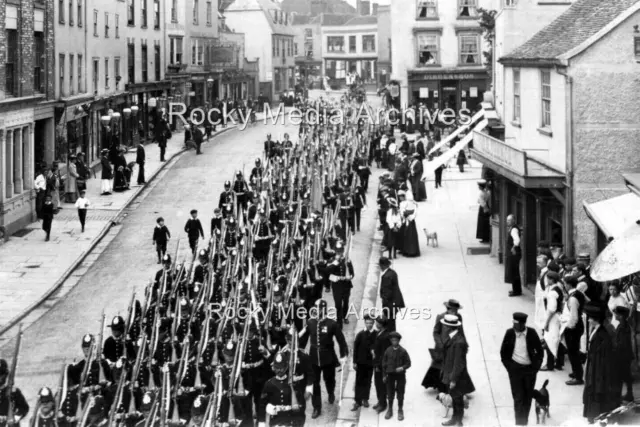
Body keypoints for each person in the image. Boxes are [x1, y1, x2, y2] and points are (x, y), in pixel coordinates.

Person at [299, 299, 348, 419]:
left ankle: (331, 392)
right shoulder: (310, 322)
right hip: (314, 358)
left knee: (329, 380)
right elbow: (303, 339)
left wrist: (343, 355)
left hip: (328, 358)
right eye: (316, 308)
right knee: (315, 383)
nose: (317, 310)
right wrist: (299, 349)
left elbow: (341, 341)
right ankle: (317, 407)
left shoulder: (332, 324)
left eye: (320, 308)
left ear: (324, 309)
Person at [500, 312, 544, 426]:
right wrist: (510, 368)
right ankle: (520, 424)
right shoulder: (509, 333)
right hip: (515, 371)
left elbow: (540, 352)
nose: (514, 326)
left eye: (517, 324)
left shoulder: (532, 333)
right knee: (518, 398)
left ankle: (524, 422)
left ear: (523, 324)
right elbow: (503, 353)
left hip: (529, 370)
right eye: (513, 323)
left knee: (527, 398)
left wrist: (535, 368)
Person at [582, 303, 616, 423]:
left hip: (597, 370)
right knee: (591, 391)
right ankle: (592, 416)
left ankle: (594, 416)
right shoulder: (596, 330)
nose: (588, 320)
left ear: (595, 319)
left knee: (595, 391)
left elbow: (602, 357)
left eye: (590, 318)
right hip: (593, 367)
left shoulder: (602, 335)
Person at [440, 314, 474, 426]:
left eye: (445, 326)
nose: (443, 327)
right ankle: (455, 418)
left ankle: (459, 421)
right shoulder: (452, 337)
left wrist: (453, 380)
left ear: (449, 327)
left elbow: (459, 363)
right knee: (455, 399)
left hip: (456, 376)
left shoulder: (459, 342)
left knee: (458, 399)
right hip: (450, 373)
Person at [422, 300, 464, 392]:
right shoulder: (441, 317)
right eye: (453, 310)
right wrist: (440, 344)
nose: (455, 312)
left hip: (454, 345)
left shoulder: (459, 317)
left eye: (456, 310)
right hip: (442, 346)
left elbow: (461, 330)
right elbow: (435, 332)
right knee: (440, 366)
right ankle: (441, 386)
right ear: (448, 309)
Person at [259, 352, 305, 427]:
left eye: (282, 367)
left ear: (286, 366)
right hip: (275, 421)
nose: (279, 370)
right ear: (273, 367)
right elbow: (262, 405)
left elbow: (301, 403)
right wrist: (261, 422)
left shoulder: (293, 383)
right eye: (277, 367)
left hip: (291, 420)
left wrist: (299, 422)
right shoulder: (269, 384)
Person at [561, 275, 586, 385]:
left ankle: (578, 377)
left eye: (564, 283)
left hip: (573, 327)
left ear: (568, 284)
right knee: (573, 351)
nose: (564, 285)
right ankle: (577, 372)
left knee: (573, 352)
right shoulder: (578, 293)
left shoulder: (572, 298)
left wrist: (568, 328)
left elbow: (574, 317)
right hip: (578, 325)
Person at [381, 331, 411, 421]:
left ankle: (400, 410)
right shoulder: (388, 350)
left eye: (396, 340)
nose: (394, 342)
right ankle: (390, 409)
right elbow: (384, 364)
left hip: (400, 376)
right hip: (390, 375)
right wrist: (384, 375)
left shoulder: (403, 351)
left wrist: (402, 368)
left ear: (399, 341)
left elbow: (408, 363)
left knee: (400, 393)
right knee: (390, 393)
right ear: (391, 341)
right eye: (393, 340)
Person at [352, 315, 376, 411]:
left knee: (368, 381)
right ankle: (357, 401)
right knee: (359, 381)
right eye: (367, 323)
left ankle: (365, 398)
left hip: (370, 364)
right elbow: (355, 349)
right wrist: (354, 362)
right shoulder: (360, 334)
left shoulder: (375, 334)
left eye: (371, 323)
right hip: (360, 363)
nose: (369, 324)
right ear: (365, 323)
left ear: (373, 323)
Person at [541, 271, 563, 371]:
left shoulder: (553, 292)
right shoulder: (557, 288)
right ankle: (557, 363)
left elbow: (552, 309)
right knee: (555, 339)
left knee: (550, 340)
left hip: (553, 318)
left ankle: (549, 365)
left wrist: (546, 323)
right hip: (557, 316)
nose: (546, 280)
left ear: (552, 279)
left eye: (548, 278)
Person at [612, 305, 634, 403]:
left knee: (620, 376)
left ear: (620, 315)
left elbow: (621, 343)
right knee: (626, 375)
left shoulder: (622, 326)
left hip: (623, 356)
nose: (615, 315)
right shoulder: (624, 324)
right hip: (626, 355)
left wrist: (614, 348)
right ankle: (629, 394)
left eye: (616, 314)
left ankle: (620, 395)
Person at [0, 358, 30, 425]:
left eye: (1, 374)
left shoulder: (14, 392)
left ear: (5, 375)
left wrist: (15, 418)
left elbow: (24, 408)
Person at [379, 257, 405, 332]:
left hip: (390, 304)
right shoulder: (393, 272)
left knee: (389, 323)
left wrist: (384, 308)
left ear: (382, 265)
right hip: (396, 302)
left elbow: (387, 294)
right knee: (392, 321)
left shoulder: (386, 277)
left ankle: (391, 337)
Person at [399, 191, 420, 257]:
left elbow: (415, 212)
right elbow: (402, 212)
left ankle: (411, 251)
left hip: (410, 221)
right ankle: (407, 250)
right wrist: (406, 216)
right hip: (408, 221)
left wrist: (409, 217)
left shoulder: (413, 204)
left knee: (410, 236)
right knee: (407, 236)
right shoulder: (405, 203)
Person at [506, 214, 522, 297]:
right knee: (514, 271)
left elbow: (517, 240)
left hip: (514, 254)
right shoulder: (512, 228)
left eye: (509, 220)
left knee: (514, 271)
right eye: (507, 220)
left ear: (513, 220)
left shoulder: (514, 229)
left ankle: (517, 291)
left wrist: (513, 248)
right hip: (514, 253)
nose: (507, 222)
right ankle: (515, 289)